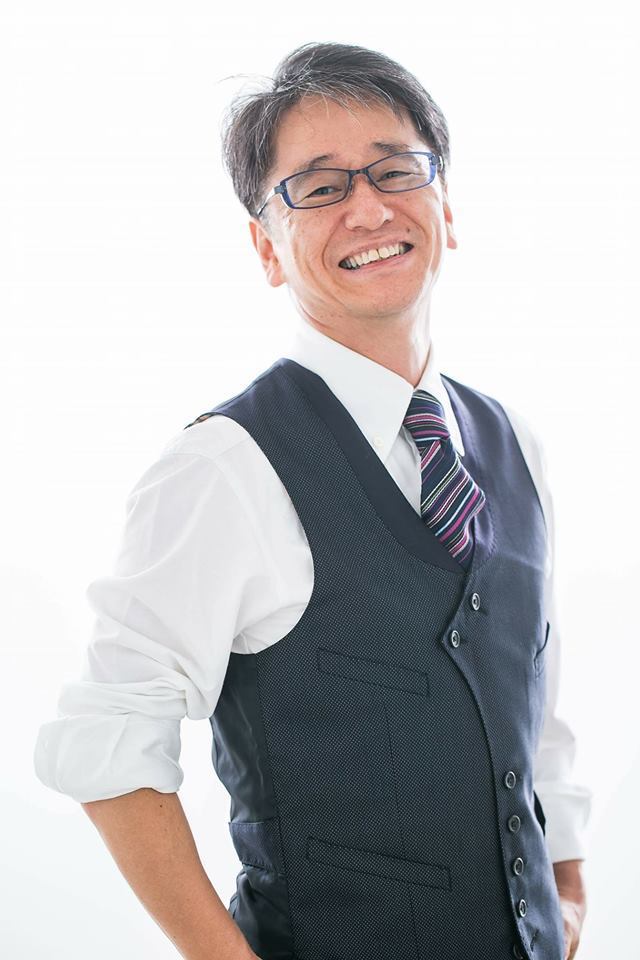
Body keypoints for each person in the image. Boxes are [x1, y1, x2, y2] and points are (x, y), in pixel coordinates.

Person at [34, 41, 593, 960]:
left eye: (395, 169)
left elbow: (536, 697)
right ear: (267, 247)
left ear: (446, 206)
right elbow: (107, 742)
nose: (368, 207)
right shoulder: (224, 468)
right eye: (320, 188)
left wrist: (566, 888)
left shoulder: (514, 443)